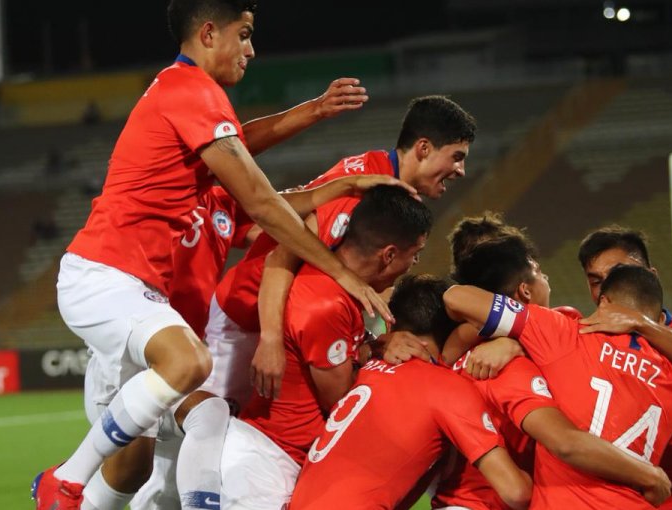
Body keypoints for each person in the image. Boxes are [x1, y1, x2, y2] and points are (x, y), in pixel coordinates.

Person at [30, 1, 394, 509]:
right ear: (208, 33)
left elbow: (247, 161)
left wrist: (324, 142)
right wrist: (343, 273)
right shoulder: (192, 90)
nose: (251, 49)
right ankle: (65, 480)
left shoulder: (187, 107)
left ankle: (72, 490)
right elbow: (264, 201)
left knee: (136, 470)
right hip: (109, 277)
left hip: (137, 295)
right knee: (190, 367)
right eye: (243, 35)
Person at [204, 94, 476, 407]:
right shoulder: (360, 192)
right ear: (424, 148)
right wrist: (270, 338)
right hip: (250, 314)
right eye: (456, 156)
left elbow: (373, 282)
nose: (461, 170)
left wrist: (375, 337)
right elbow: (281, 257)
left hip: (295, 326)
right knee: (211, 417)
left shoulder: (391, 193)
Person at [444, 255, 672, 509]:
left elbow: (456, 297)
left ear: (605, 302)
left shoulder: (564, 334)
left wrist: (512, 337)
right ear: (657, 317)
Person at [214, 185, 432, 508]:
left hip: (280, 459)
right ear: (388, 255)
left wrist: (371, 348)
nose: (413, 264)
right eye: (414, 255)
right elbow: (343, 402)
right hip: (263, 466)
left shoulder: (338, 289)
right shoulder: (325, 304)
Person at [288, 274, 533, 510]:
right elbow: (515, 492)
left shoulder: (363, 369)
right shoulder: (445, 386)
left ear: (391, 323)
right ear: (456, 328)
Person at [576, 226, 672, 509]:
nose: (606, 288)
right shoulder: (581, 334)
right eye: (595, 280)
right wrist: (509, 345)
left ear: (651, 275)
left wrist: (640, 323)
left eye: (619, 273)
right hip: (621, 496)